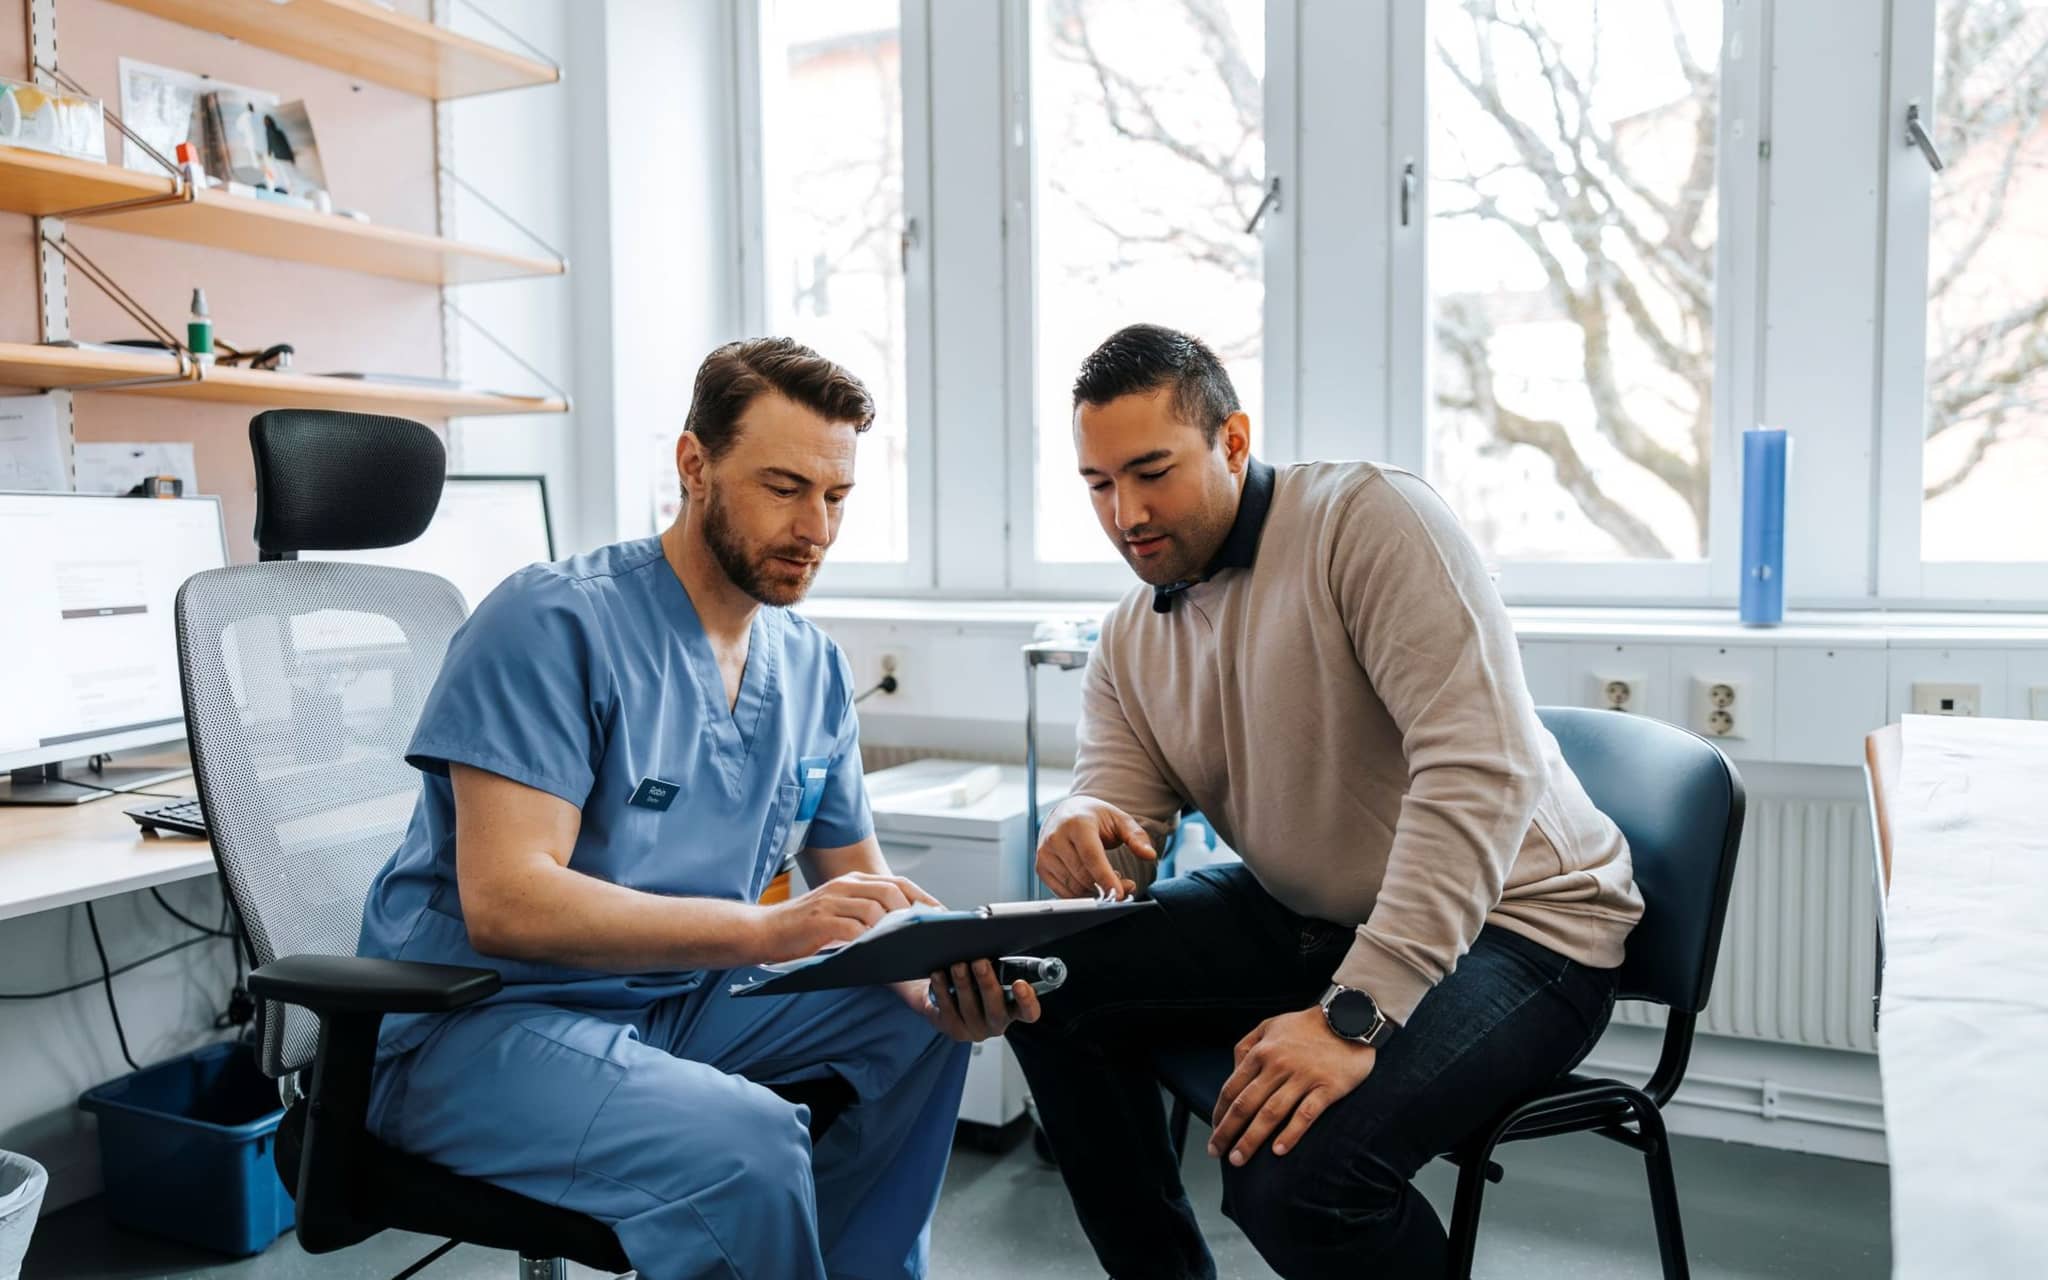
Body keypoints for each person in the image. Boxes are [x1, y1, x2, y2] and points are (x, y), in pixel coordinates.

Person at [357, 337, 1038, 1280]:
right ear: (695, 467)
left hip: (676, 1002)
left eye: (836, 497)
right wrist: (770, 930)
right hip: (477, 1028)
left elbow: (861, 889)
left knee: (914, 1029)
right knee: (747, 1145)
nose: (817, 528)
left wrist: (939, 978)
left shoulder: (810, 666)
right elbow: (507, 903)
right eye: (784, 487)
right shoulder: (552, 624)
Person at [1007, 323, 1644, 1279]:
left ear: (1232, 440)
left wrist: (1356, 1015)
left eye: (1152, 471)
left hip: (1523, 927)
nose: (1126, 513)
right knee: (1043, 981)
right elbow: (1121, 811)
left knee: (1297, 1182)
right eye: (1099, 484)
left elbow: (1483, 770)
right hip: (1311, 917)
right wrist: (1081, 821)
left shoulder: (1370, 521)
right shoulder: (1131, 636)